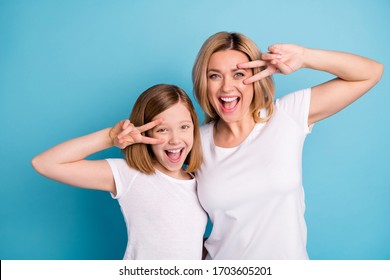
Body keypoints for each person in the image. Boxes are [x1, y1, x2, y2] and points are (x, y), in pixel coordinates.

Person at [192, 31, 384, 259]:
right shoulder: (194, 142)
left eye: (238, 74)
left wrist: (304, 56)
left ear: (256, 77)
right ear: (204, 83)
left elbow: (371, 73)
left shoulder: (285, 116)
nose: (226, 88)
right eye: (215, 76)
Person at [31, 84, 207, 260]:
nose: (175, 139)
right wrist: (109, 137)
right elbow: (45, 163)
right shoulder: (130, 175)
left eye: (184, 127)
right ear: (145, 131)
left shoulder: (201, 180)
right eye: (162, 130)